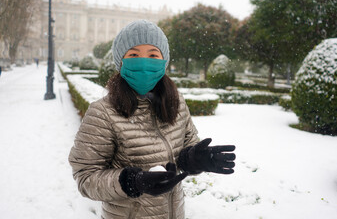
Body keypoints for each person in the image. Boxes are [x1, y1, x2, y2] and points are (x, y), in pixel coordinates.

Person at [68, 20, 236, 219]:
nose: (144, 62)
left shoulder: (177, 103)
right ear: (120, 61)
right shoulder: (103, 112)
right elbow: (86, 176)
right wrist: (132, 182)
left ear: (164, 61)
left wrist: (193, 159)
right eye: (134, 55)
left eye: (153, 55)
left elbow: (187, 146)